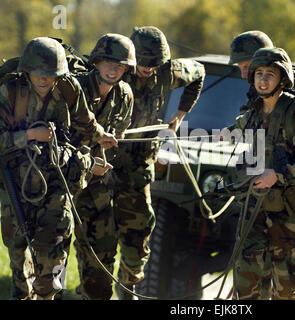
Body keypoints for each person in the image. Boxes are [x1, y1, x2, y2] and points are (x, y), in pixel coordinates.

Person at [0, 37, 116, 300]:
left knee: (54, 252)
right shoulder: (11, 91)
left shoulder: (68, 89)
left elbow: (87, 123)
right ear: (27, 71)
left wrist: (101, 138)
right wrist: (30, 135)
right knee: (18, 260)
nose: (43, 80)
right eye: (38, 74)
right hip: (15, 182)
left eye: (50, 75)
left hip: (56, 181)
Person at [111, 26, 205, 299]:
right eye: (143, 63)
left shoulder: (168, 71)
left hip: (140, 166)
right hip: (105, 165)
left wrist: (181, 113)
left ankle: (128, 291)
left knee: (139, 235)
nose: (148, 69)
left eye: (154, 64)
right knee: (97, 238)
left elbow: (198, 72)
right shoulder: (116, 69)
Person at [231, 47, 295, 300]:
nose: (263, 80)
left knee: (287, 291)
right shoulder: (252, 113)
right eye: (259, 74)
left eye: (270, 75)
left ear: (283, 79)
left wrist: (278, 175)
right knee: (246, 286)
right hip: (256, 211)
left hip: (291, 218)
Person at [71, 33, 136, 300]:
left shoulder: (124, 96)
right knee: (52, 252)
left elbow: (115, 138)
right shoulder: (74, 88)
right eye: (108, 62)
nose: (113, 68)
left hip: (95, 185)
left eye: (119, 65)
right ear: (96, 62)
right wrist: (87, 164)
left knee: (104, 248)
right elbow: (55, 141)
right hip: (59, 183)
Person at [229, 30, 274, 112]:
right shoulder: (257, 92)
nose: (243, 75)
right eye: (240, 67)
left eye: (246, 67)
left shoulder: (284, 95)